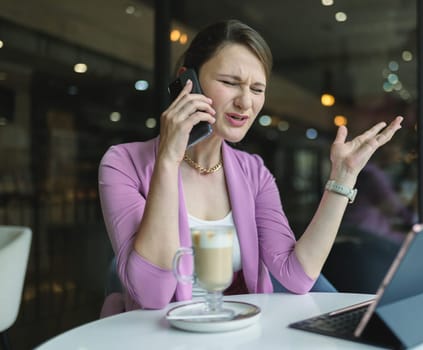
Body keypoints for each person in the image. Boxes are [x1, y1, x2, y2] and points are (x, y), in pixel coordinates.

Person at [98, 19, 403, 316]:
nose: (245, 102)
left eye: (257, 89)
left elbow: (295, 276)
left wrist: (344, 175)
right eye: (230, 83)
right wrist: (167, 159)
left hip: (239, 334)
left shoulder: (253, 172)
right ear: (187, 80)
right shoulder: (122, 164)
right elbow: (152, 295)